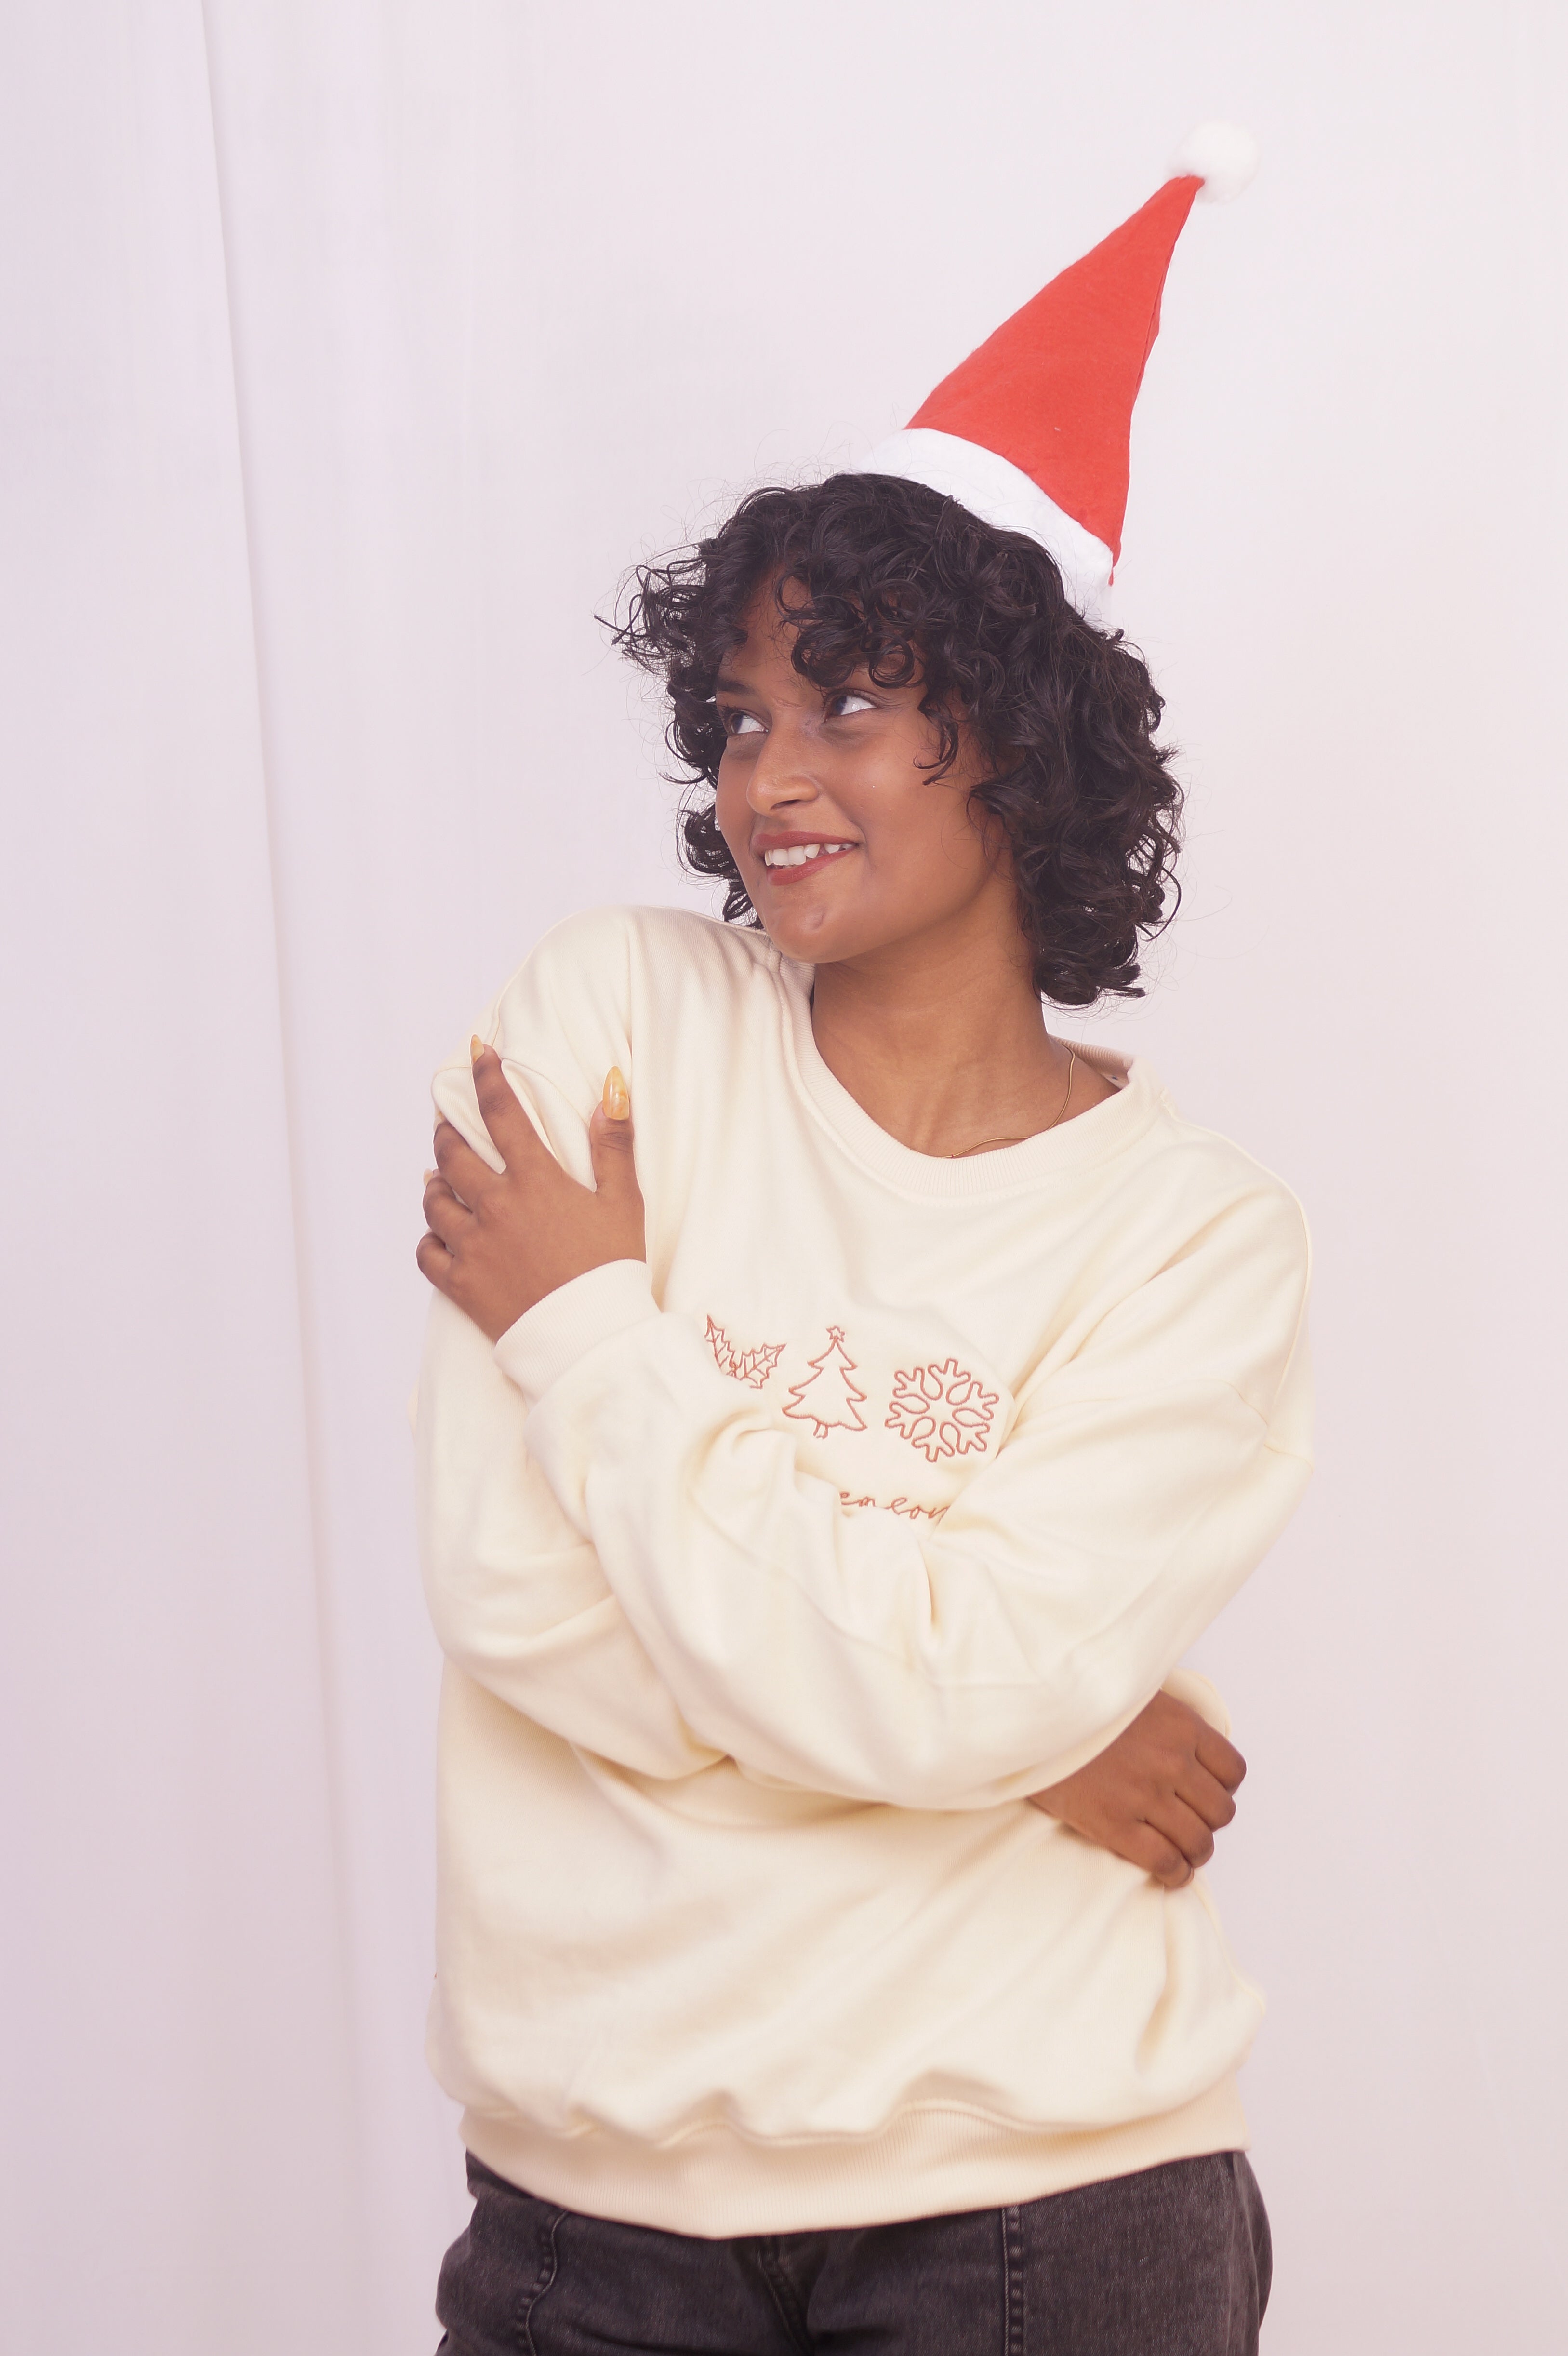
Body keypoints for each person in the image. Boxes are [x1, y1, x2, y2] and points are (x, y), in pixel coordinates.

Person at [414, 129, 1309, 2356]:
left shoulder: (1194, 1240)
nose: (762, 775)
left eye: (843, 702)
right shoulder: (606, 1027)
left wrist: (601, 1337)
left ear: (1010, 734)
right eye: (734, 714)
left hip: (1047, 2210)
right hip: (587, 2210)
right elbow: (520, 1596)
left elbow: (967, 1668)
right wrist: (1020, 1749)